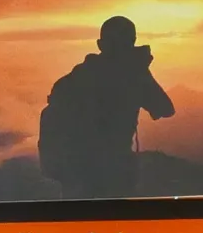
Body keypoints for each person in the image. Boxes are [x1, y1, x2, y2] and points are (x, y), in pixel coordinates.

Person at [38, 16, 174, 197]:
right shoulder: (134, 75)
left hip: (76, 176)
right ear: (132, 42)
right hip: (115, 176)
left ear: (100, 44)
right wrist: (140, 69)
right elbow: (165, 109)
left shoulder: (78, 76)